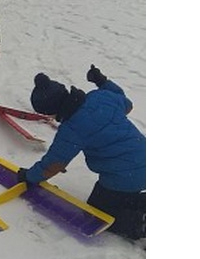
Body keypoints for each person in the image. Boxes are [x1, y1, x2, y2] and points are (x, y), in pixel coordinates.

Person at [17, 65, 146, 240]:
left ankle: (141, 224)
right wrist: (103, 82)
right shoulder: (100, 97)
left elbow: (53, 165)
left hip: (124, 175)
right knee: (120, 197)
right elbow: (126, 104)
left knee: (99, 213)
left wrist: (29, 176)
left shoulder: (72, 130)